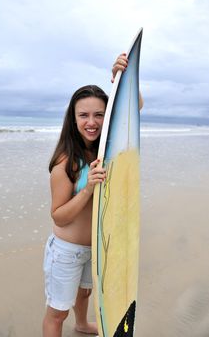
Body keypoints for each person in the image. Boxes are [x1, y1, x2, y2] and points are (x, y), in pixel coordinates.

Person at [42, 53, 143, 337]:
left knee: (85, 294)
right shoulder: (66, 162)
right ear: (73, 120)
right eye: (83, 115)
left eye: (99, 114)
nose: (92, 122)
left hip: (97, 247)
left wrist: (121, 81)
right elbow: (59, 217)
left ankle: (83, 324)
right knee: (57, 311)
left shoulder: (104, 151)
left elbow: (131, 111)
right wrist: (88, 189)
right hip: (66, 252)